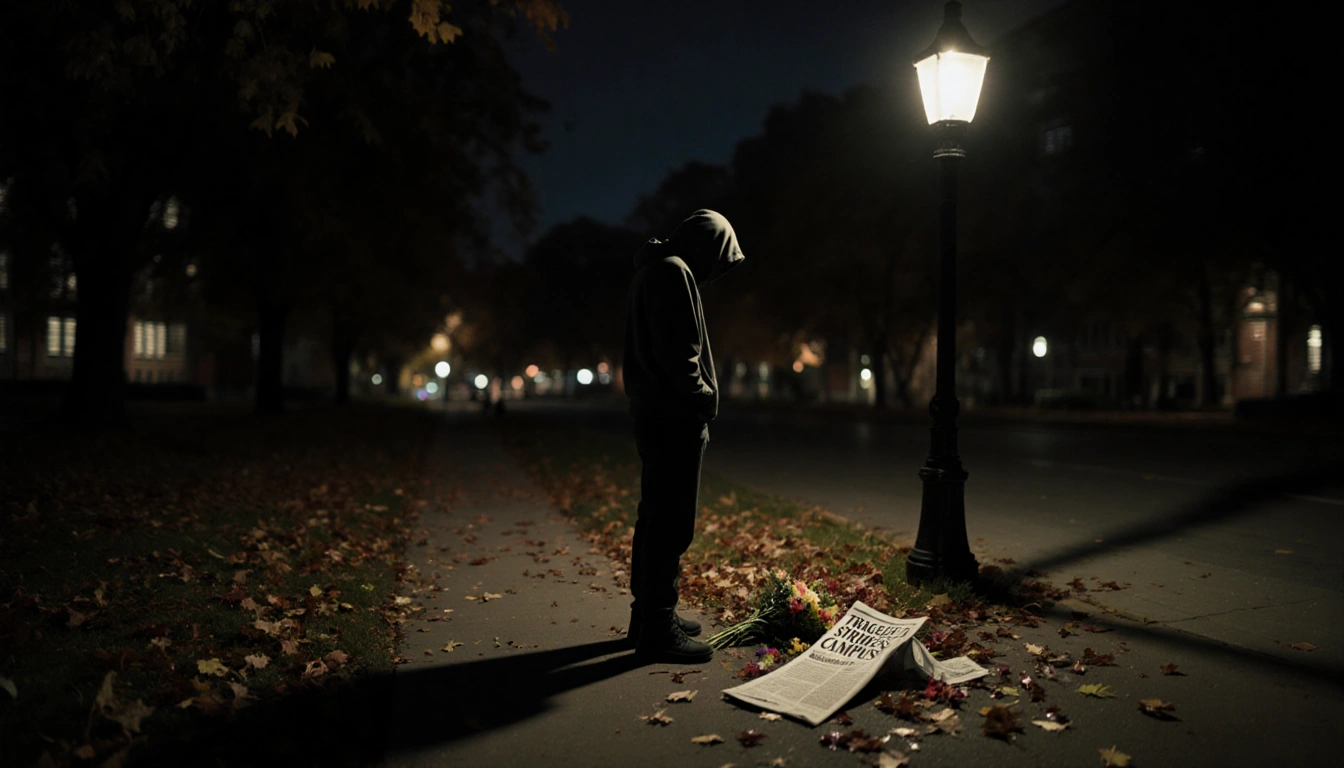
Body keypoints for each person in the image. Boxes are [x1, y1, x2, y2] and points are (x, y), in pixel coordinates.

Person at [621, 209, 744, 663]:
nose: (716, 274)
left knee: (654, 515)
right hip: (673, 416)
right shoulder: (673, 272)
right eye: (720, 260)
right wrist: (703, 399)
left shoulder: (654, 269)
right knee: (672, 521)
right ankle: (657, 626)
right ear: (707, 246)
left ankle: (647, 615)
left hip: (655, 413)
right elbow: (681, 355)